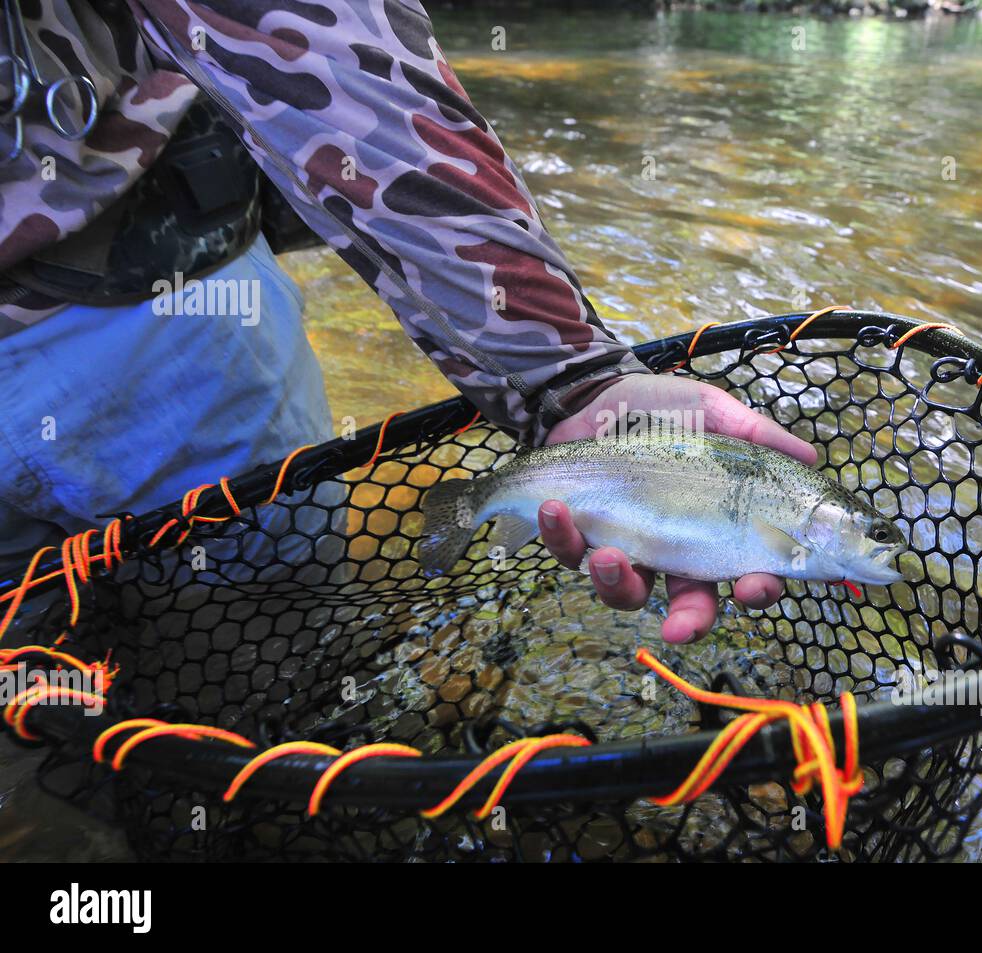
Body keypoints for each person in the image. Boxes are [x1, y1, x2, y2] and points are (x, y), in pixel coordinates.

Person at [0, 0, 815, 645]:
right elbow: (339, 71)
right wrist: (571, 375)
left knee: (32, 663)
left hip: (129, 311)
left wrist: (576, 385)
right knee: (267, 645)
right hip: (153, 319)